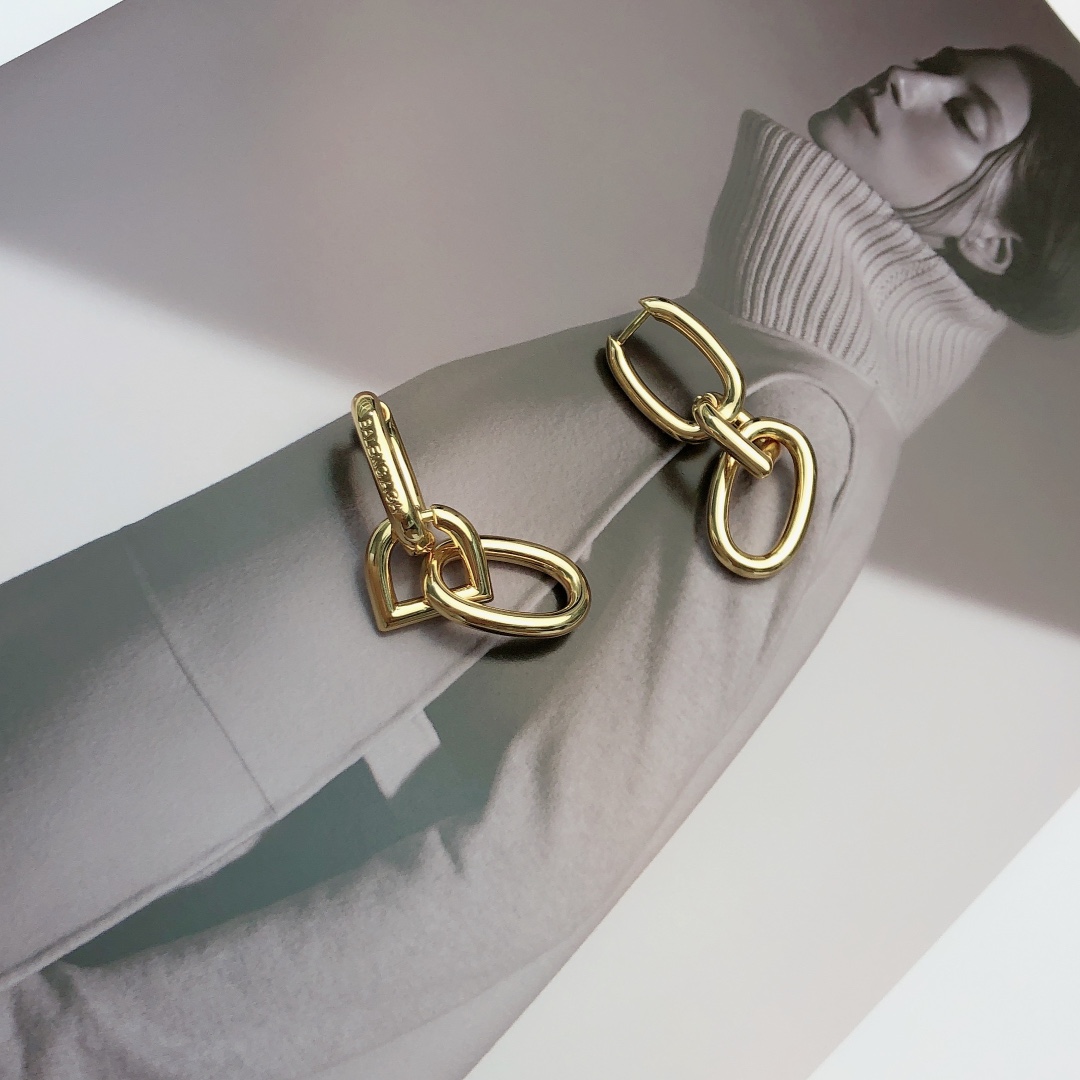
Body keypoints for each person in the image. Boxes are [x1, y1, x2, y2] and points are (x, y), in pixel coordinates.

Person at [2, 44, 1079, 1080]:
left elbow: (544, 855)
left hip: (106, 880)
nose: (910, 80)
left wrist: (88, 1044)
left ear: (992, 245)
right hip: (122, 772)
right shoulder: (758, 352)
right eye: (943, 64)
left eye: (963, 113)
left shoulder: (799, 419)